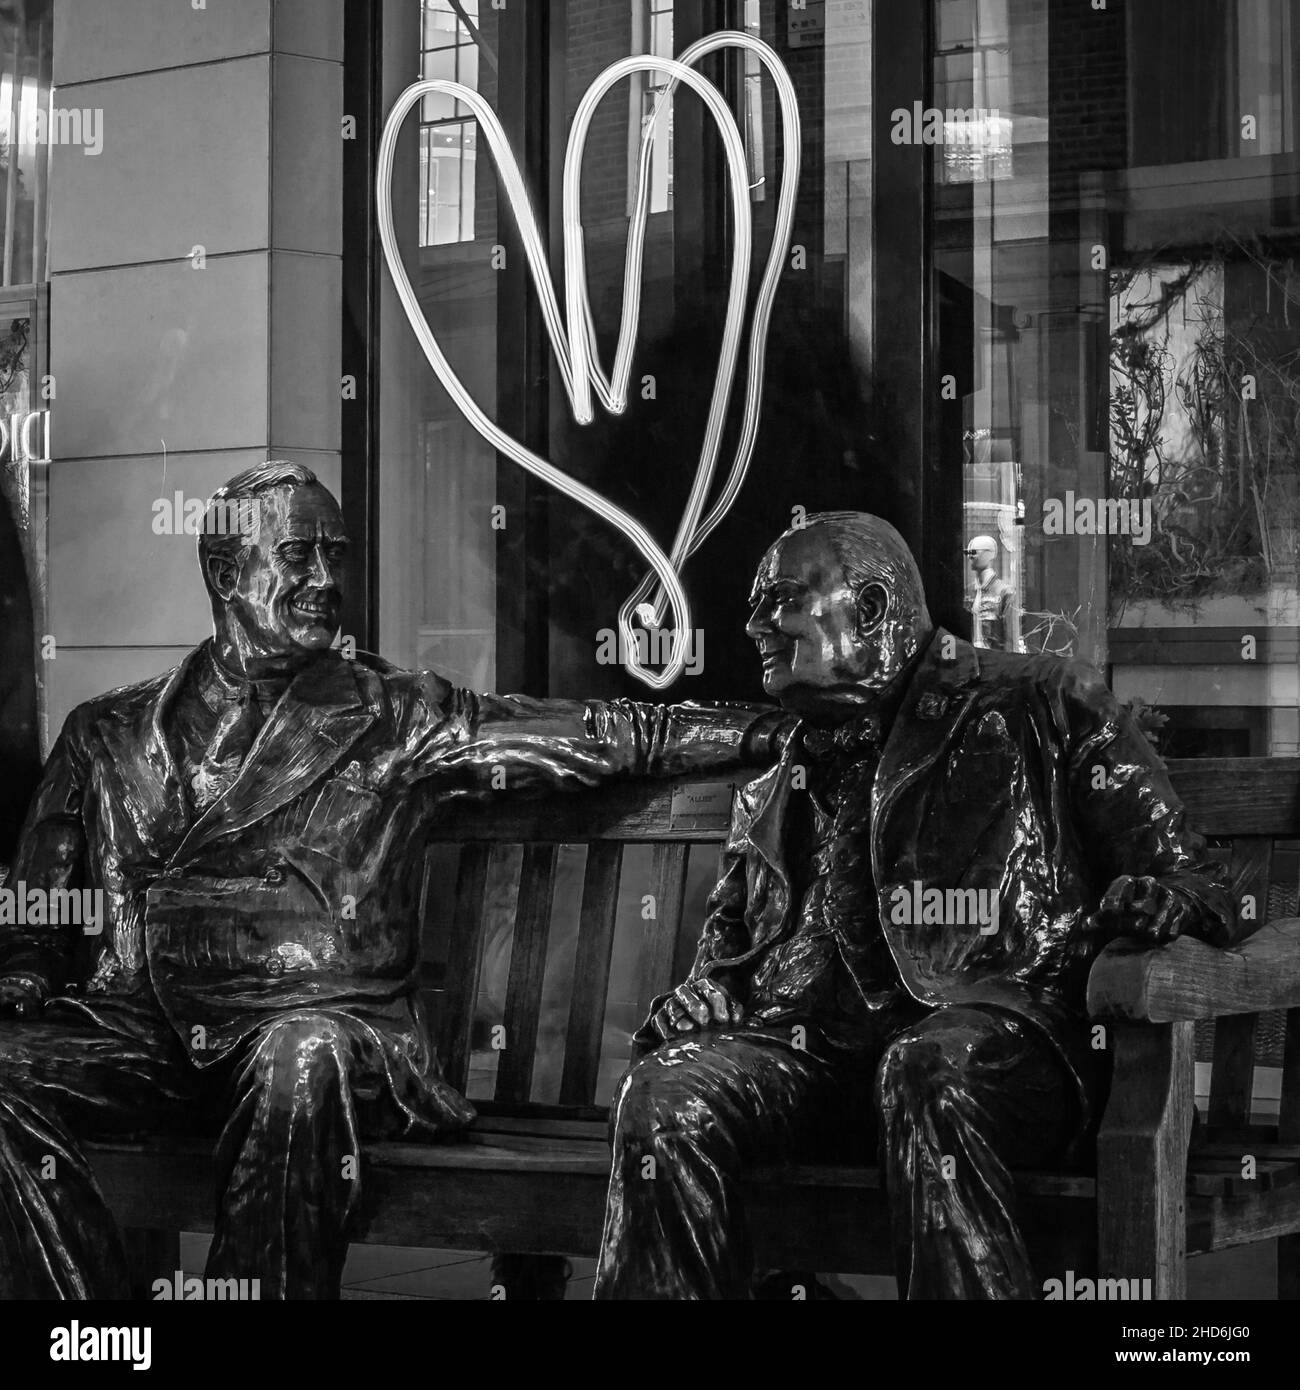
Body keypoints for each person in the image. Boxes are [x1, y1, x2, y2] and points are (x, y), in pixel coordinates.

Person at [0, 459, 786, 1299]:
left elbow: (596, 732)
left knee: (301, 1061)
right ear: (227, 574)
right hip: (142, 1032)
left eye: (335, 555)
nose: (325, 579)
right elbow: (35, 912)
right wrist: (26, 968)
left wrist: (772, 728)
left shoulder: (396, 712)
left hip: (317, 1028)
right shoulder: (107, 732)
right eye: (298, 556)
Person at [595, 510, 1239, 1300]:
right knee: (667, 1093)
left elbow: (1197, 880)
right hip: (813, 1059)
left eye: (781, 601)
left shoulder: (1037, 700)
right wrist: (709, 997)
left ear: (869, 609)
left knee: (923, 1068)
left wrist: (1157, 904)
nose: (754, 624)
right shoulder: (779, 776)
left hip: (1000, 1054)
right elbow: (730, 947)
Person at [966, 533, 1019, 651]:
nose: (970, 557)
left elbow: (1010, 639)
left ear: (989, 554)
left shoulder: (1005, 592)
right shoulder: (968, 592)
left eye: (974, 552)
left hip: (993, 661)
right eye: (968, 553)